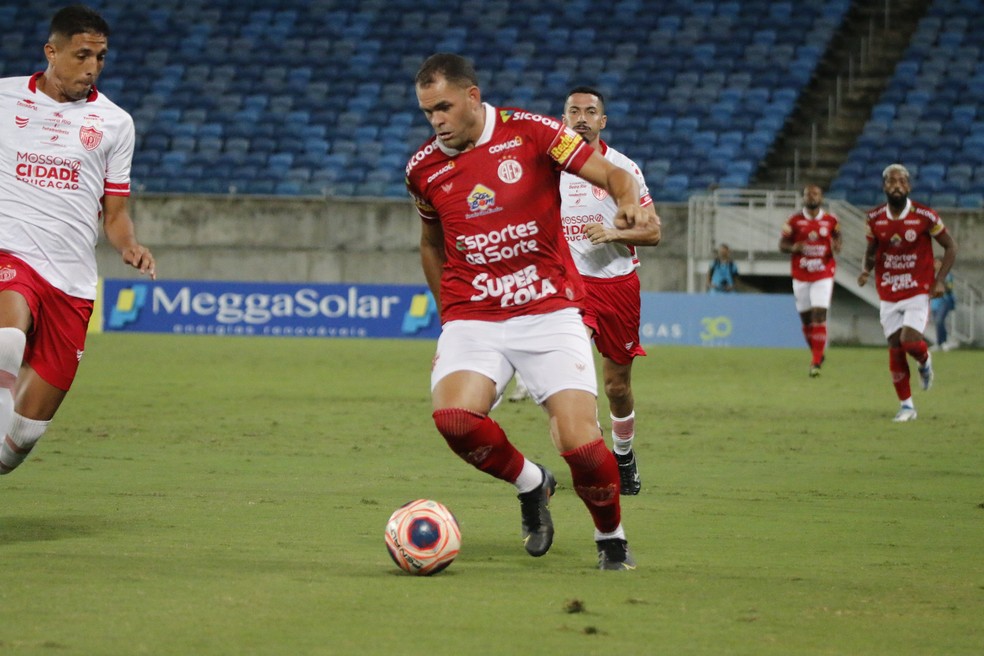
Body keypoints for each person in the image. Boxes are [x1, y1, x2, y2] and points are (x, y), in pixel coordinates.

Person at [406, 53, 655, 570]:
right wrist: (448, 309)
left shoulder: (532, 132)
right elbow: (431, 244)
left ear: (473, 97)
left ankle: (611, 536)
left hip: (547, 308)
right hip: (474, 315)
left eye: (445, 108)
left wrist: (628, 198)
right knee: (454, 419)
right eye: (428, 112)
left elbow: (611, 174)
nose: (437, 122)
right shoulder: (422, 169)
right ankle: (532, 483)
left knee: (581, 444)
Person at [0, 5, 156, 475]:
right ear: (52, 52)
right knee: (7, 339)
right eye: (82, 54)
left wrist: (128, 244)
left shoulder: (115, 123)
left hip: (71, 282)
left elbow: (116, 215)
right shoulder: (4, 99)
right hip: (13, 256)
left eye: (101, 58)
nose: (91, 67)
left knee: (16, 445)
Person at [857, 164, 956, 422]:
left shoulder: (925, 216)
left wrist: (939, 280)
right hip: (888, 290)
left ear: (909, 186)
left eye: (901, 181)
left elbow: (950, 246)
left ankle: (924, 362)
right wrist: (866, 270)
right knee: (894, 347)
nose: (896, 186)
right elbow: (871, 250)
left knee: (910, 340)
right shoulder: (874, 218)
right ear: (884, 187)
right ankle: (907, 406)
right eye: (891, 182)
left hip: (917, 288)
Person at [779, 184, 842, 377]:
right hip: (801, 274)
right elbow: (782, 244)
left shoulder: (831, 220)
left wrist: (836, 246)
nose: (811, 197)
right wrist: (793, 247)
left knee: (819, 314)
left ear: (821, 197)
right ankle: (817, 353)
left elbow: (838, 238)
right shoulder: (793, 221)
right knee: (806, 320)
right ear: (803, 198)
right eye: (808, 194)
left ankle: (815, 362)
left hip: (823, 273)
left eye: (815, 193)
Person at [929, 257, 957, 351]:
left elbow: (950, 288)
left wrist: (941, 281)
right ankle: (939, 343)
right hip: (934, 302)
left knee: (939, 320)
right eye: (934, 262)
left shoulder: (947, 275)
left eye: (937, 262)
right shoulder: (931, 275)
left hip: (944, 301)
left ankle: (944, 342)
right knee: (937, 322)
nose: (935, 264)